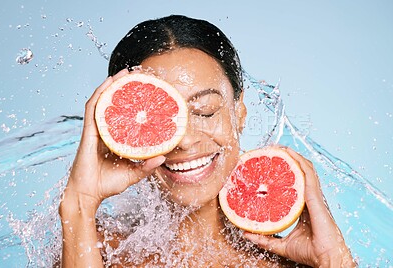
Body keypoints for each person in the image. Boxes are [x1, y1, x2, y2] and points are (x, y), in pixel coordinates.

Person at [59, 15, 356, 267]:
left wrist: (334, 257)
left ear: (239, 112)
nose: (185, 140)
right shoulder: (97, 249)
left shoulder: (296, 260)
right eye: (161, 122)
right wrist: (79, 203)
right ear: (125, 131)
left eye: (205, 111)